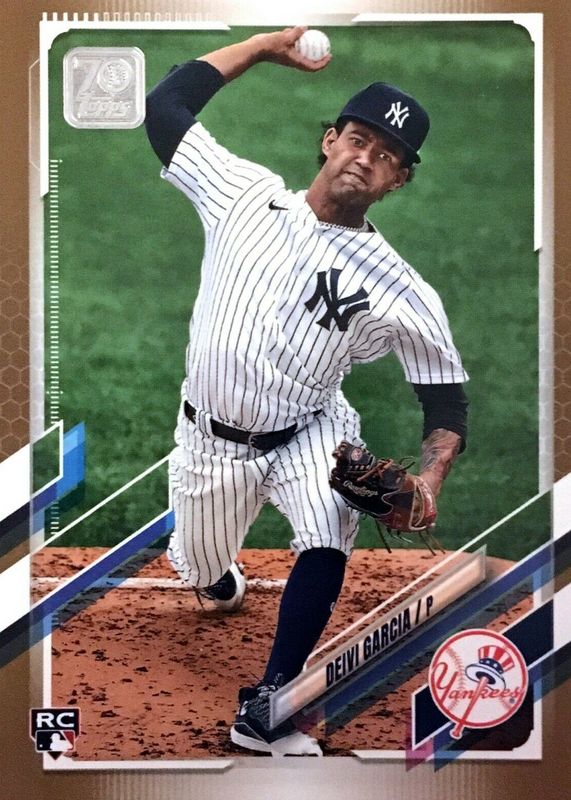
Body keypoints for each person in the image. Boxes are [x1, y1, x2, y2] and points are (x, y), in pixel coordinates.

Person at [145, 26, 468, 756]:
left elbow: (446, 400)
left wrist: (429, 480)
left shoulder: (402, 289)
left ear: (397, 181)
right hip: (209, 442)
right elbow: (165, 105)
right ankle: (214, 578)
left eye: (386, 156)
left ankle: (273, 701)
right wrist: (262, 47)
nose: (366, 158)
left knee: (329, 523)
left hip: (310, 430)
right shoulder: (242, 195)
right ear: (330, 142)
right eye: (358, 139)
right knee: (200, 567)